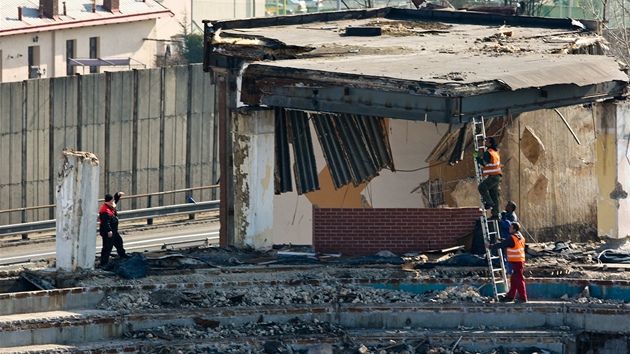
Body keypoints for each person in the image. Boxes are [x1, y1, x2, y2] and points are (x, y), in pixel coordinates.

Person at [486, 222, 527, 303]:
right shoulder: (519, 236)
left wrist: (490, 246)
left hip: (516, 261)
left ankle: (523, 297)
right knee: (514, 278)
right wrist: (502, 240)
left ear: (514, 229)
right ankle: (511, 295)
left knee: (518, 279)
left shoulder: (512, 238)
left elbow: (503, 244)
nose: (509, 228)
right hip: (519, 260)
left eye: (511, 227)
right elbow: (509, 242)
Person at [473, 136, 502, 220]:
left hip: (493, 176)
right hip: (497, 175)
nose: (485, 142)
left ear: (490, 143)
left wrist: (477, 157)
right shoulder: (495, 151)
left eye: (486, 141)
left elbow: (484, 163)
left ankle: (489, 203)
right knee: (494, 195)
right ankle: (495, 214)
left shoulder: (488, 152)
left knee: (482, 187)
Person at [98, 191, 128, 267]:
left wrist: (118, 195)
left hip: (113, 230)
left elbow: (115, 200)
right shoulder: (105, 210)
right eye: (112, 200)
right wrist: (109, 231)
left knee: (119, 242)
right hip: (108, 231)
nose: (114, 201)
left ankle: (122, 255)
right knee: (107, 247)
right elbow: (105, 222)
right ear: (108, 201)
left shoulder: (110, 206)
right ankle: (104, 262)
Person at [499, 201, 518, 274]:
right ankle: (504, 268)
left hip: (509, 238)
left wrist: (500, 220)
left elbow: (507, 225)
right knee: (503, 254)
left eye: (507, 205)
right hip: (504, 237)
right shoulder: (506, 214)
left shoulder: (512, 217)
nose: (505, 206)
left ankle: (509, 272)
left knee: (508, 256)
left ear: (511, 208)